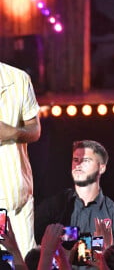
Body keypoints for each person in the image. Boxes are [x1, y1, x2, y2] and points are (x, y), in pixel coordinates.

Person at [34, 140, 114, 248]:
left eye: (86, 160)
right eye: (75, 160)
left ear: (101, 168)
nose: (78, 165)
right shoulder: (54, 208)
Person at [0, 62, 41, 258]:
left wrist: (12, 133)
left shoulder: (18, 79)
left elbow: (35, 130)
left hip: (19, 200)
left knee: (26, 260)